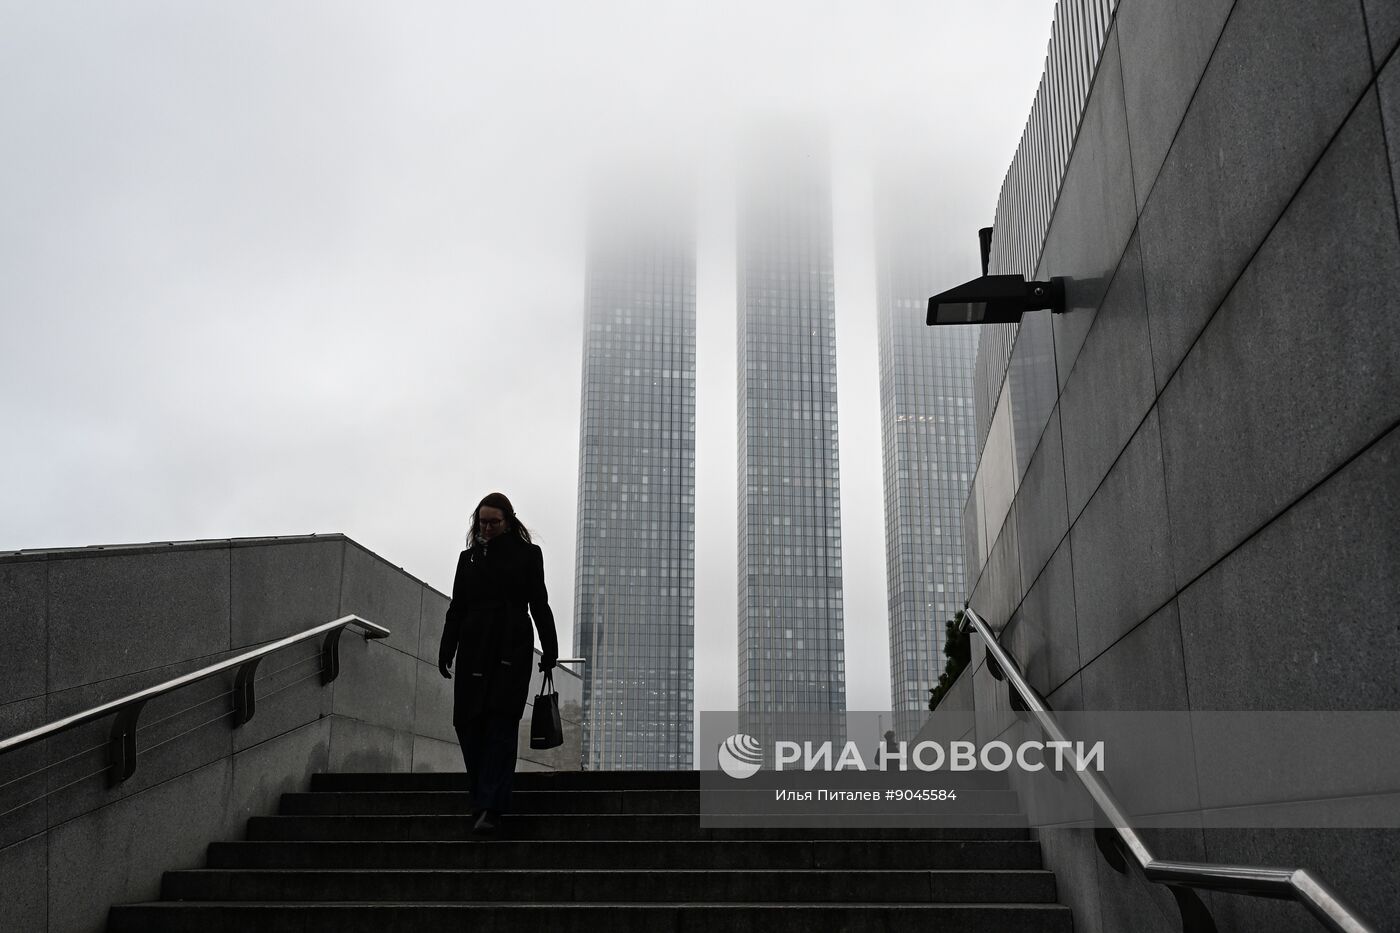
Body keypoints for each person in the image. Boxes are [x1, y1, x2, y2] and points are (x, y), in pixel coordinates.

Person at [438, 492, 558, 834]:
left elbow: (539, 604)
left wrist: (550, 649)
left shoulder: (528, 555)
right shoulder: (468, 559)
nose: (487, 528)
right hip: (474, 647)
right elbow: (457, 607)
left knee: (501, 725)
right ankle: (481, 799)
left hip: (511, 647)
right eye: (482, 522)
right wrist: (447, 648)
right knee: (468, 723)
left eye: (494, 522)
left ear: (508, 521)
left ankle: (491, 807)